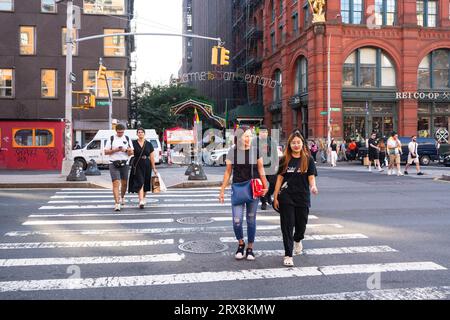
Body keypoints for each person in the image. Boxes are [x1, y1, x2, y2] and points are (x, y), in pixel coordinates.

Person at [219, 126, 268, 261]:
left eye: (250, 136)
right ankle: (241, 244)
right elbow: (228, 172)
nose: (248, 138)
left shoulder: (255, 151)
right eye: (245, 136)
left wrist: (266, 185)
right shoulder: (232, 152)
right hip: (238, 189)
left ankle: (250, 248)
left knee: (251, 220)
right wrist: (222, 190)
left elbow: (261, 169)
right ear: (238, 137)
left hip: (253, 190)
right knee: (237, 221)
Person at [273, 130, 318, 267]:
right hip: (286, 197)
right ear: (289, 144)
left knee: (301, 225)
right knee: (287, 227)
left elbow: (311, 176)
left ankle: (298, 239)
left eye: (298, 142)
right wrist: (275, 196)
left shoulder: (308, 159)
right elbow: (280, 178)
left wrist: (313, 187)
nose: (296, 145)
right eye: (293, 143)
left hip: (302, 196)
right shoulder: (284, 159)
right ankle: (288, 254)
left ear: (302, 144)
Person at [104, 124, 134, 211]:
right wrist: (115, 150)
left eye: (122, 132)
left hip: (125, 163)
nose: (120, 134)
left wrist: (126, 150)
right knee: (116, 183)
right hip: (113, 163)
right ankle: (117, 203)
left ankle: (122, 196)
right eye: (119, 132)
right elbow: (106, 152)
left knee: (124, 183)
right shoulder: (111, 138)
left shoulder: (127, 138)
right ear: (116, 131)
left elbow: (131, 153)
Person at [128, 128, 158, 209]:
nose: (140, 133)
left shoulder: (149, 144)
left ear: (144, 134)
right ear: (137, 134)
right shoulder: (133, 143)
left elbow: (152, 157)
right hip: (137, 164)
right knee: (140, 181)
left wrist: (154, 168)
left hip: (147, 164)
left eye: (142, 132)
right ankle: (141, 200)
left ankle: (143, 198)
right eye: (139, 132)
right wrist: (129, 151)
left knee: (145, 182)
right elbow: (129, 153)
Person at [254, 125, 279, 210]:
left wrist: (276, 165)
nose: (264, 133)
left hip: (271, 166)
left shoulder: (272, 141)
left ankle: (268, 195)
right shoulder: (255, 142)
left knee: (274, 183)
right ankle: (263, 202)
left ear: (267, 133)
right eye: (262, 132)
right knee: (261, 185)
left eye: (265, 132)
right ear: (259, 133)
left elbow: (275, 154)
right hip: (260, 166)